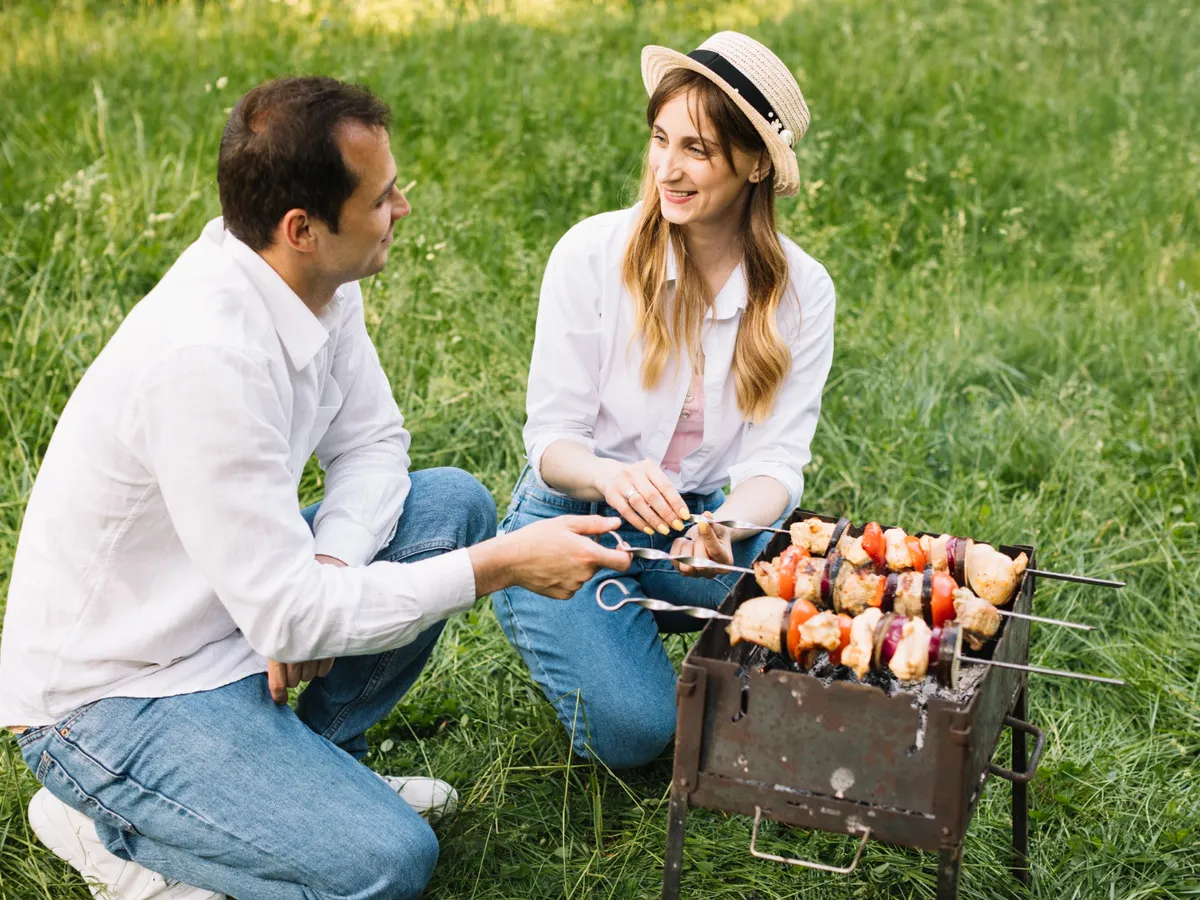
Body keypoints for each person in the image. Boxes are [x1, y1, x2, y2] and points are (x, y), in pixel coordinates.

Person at [0, 76, 628, 900]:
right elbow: (289, 619)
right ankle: (116, 835)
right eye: (382, 196)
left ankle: (314, 783)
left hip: (228, 608)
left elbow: (373, 447)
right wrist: (501, 567)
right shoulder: (207, 361)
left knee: (450, 507)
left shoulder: (315, 285)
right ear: (302, 229)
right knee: (388, 864)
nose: (402, 206)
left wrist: (330, 565)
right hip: (116, 694)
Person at [492, 32, 837, 770]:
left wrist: (727, 527)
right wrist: (611, 476)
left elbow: (777, 459)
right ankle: (555, 609)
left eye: (698, 150)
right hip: (574, 520)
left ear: (753, 164)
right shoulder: (591, 255)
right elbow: (552, 442)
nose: (667, 169)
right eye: (659, 139)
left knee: (808, 583)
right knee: (642, 735)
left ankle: (636, 623)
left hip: (697, 521)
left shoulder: (803, 292)